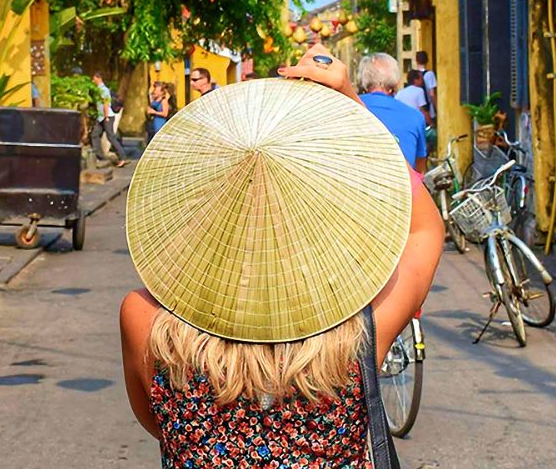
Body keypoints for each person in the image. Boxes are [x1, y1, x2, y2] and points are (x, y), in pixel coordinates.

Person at [119, 45, 443, 467]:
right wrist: (349, 101)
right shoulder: (359, 333)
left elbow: (157, 425)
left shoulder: (143, 318)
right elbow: (424, 227)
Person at [357, 53, 429, 172]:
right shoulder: (415, 117)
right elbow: (419, 168)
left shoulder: (348, 107)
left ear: (363, 80)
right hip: (402, 188)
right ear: (396, 82)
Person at [91, 72, 127, 168]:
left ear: (98, 78)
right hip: (100, 117)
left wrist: (106, 116)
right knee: (94, 135)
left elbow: (106, 103)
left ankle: (122, 157)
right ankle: (99, 156)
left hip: (107, 117)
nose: (93, 80)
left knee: (110, 137)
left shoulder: (104, 90)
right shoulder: (98, 89)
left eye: (94, 78)